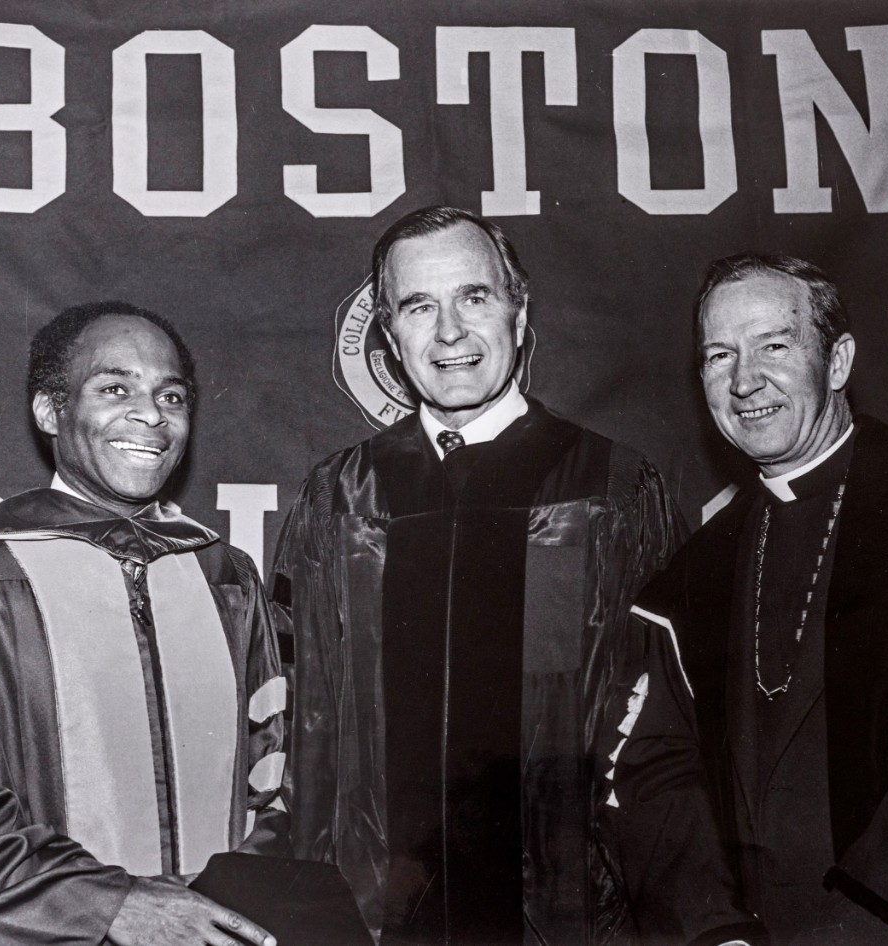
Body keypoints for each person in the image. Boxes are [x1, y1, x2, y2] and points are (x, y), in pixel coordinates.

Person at [602, 253, 888, 945]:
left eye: (774, 345)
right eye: (719, 355)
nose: (744, 381)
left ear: (839, 360)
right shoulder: (687, 581)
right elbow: (654, 780)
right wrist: (714, 930)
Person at [271, 206, 684, 945]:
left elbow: (664, 729)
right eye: (419, 306)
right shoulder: (340, 497)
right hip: (378, 920)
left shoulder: (612, 488)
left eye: (474, 297)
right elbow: (306, 727)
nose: (450, 332)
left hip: (569, 916)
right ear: (391, 340)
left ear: (519, 313)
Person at [0, 302, 287, 946]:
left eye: (171, 394)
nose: (151, 414)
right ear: (50, 411)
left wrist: (235, 902)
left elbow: (276, 777)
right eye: (114, 388)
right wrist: (108, 906)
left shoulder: (227, 578)